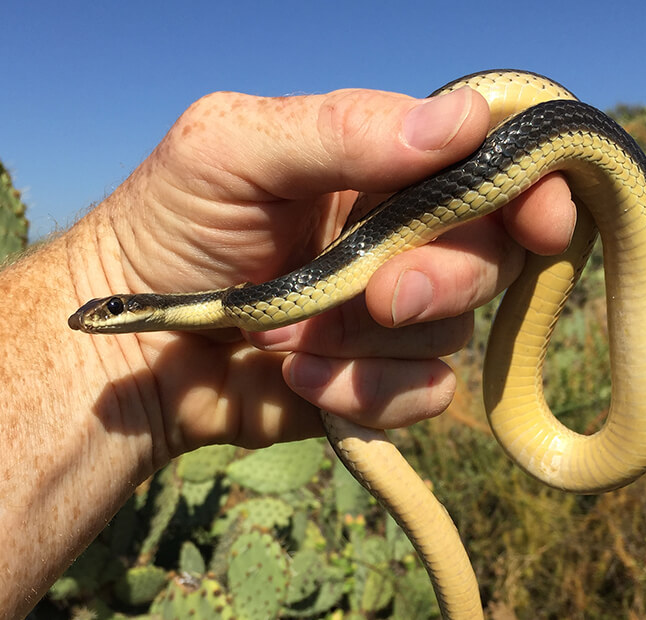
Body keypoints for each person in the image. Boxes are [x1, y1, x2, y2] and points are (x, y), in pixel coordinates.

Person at [0, 85, 576, 618]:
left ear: (135, 306)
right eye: (108, 311)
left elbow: (247, 303)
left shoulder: (228, 298)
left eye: (111, 308)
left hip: (553, 131)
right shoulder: (217, 304)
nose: (101, 320)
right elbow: (243, 305)